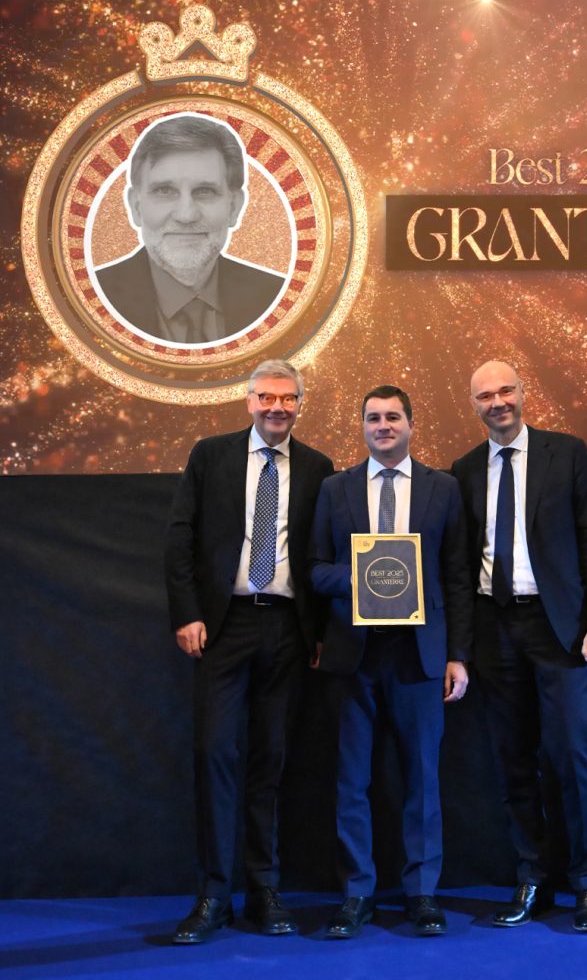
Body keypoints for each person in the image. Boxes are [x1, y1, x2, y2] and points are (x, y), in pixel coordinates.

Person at [165, 358, 333, 943]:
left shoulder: (318, 467)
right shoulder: (210, 456)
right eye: (266, 397)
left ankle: (264, 890)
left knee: (272, 759)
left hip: (288, 629)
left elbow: (321, 555)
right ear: (249, 401)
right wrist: (187, 612)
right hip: (223, 625)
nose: (276, 408)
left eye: (287, 399)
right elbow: (180, 537)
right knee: (214, 752)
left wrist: (319, 633)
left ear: (300, 404)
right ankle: (214, 895)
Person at [451, 361, 587, 933]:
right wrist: (459, 647)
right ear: (473, 405)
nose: (497, 402)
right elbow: (459, 565)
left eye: (506, 391)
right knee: (513, 761)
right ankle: (532, 879)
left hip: (561, 629)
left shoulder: (566, 453)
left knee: (572, 753)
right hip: (494, 629)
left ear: (524, 393)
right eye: (485, 395)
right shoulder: (464, 470)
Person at [309, 385, 472, 938]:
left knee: (422, 779)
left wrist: (458, 655)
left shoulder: (443, 488)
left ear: (410, 424)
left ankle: (422, 893)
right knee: (351, 780)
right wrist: (363, 575)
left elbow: (457, 577)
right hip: (353, 654)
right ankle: (356, 893)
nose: (383, 425)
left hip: (419, 654)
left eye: (393, 417)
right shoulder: (334, 489)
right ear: (362, 426)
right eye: (373, 418)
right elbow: (315, 568)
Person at [95, 114, 286, 343]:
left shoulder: (278, 298)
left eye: (205, 191)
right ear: (136, 207)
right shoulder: (93, 298)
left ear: (234, 207)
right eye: (165, 191)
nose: (186, 215)